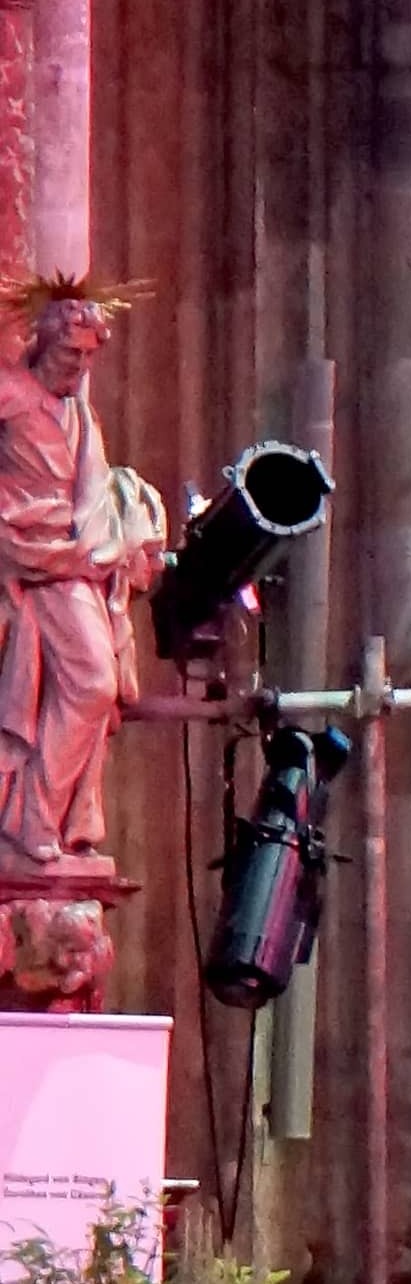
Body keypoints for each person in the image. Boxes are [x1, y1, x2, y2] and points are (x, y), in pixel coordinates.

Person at [0, 284, 166, 908]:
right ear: (43, 340)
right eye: (70, 354)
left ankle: (55, 822)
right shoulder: (11, 392)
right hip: (27, 562)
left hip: (71, 566)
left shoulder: (79, 415)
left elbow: (92, 496)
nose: (78, 368)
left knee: (97, 687)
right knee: (92, 681)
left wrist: (106, 550)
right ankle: (33, 821)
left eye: (88, 358)